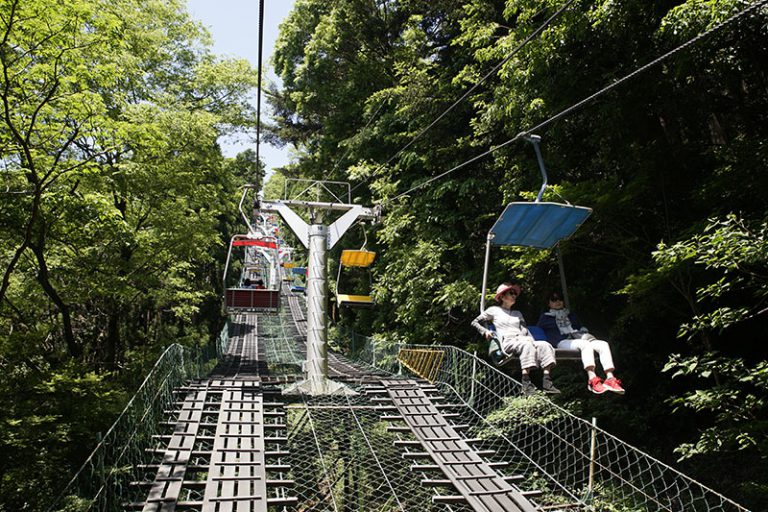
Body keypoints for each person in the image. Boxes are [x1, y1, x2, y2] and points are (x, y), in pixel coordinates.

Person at [472, 283, 559, 394]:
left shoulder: (518, 313)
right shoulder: (493, 310)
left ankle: (547, 381)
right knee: (526, 345)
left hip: (522, 339)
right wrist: (485, 331)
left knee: (545, 345)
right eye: (511, 293)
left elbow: (524, 329)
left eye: (515, 293)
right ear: (502, 297)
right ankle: (526, 382)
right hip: (508, 341)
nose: (514, 296)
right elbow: (475, 322)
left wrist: (528, 339)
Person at [537, 291, 625, 394]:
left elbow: (579, 327)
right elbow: (538, 331)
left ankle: (610, 378)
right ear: (549, 303)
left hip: (578, 337)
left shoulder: (570, 314)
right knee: (585, 345)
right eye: (554, 299)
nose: (558, 301)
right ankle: (592, 378)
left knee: (603, 344)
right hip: (562, 341)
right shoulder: (545, 317)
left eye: (560, 299)